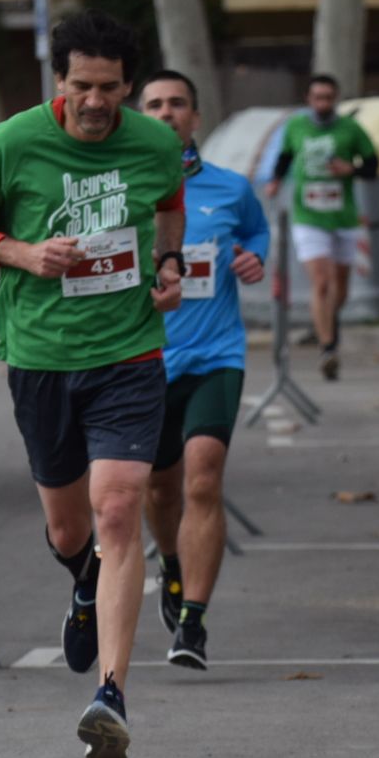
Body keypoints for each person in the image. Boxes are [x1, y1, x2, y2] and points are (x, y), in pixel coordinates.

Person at [0, 10, 185, 758]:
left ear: (129, 86)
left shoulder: (153, 143)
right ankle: (82, 582)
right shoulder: (14, 143)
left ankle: (111, 695)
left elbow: (169, 206)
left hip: (129, 353)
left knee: (118, 511)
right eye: (80, 86)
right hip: (42, 357)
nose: (94, 102)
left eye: (109, 88)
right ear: (58, 81)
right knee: (69, 530)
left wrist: (169, 267)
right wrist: (19, 250)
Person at [139, 69, 270, 671]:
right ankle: (170, 563)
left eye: (178, 104)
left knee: (201, 480)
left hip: (216, 355)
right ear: (140, 116)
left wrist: (253, 258)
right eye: (155, 104)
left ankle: (192, 621)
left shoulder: (229, 187)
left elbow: (256, 231)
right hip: (144, 361)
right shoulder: (126, 191)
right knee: (159, 489)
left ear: (196, 117)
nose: (167, 113)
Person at [263, 73, 377, 381]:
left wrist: (349, 169)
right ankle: (328, 347)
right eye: (318, 97)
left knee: (340, 287)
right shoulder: (296, 127)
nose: (323, 103)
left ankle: (326, 322)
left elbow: (373, 166)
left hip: (343, 217)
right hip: (308, 217)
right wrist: (275, 181)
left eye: (329, 97)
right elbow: (285, 157)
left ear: (336, 98)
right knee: (322, 282)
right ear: (308, 99)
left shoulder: (351, 129)